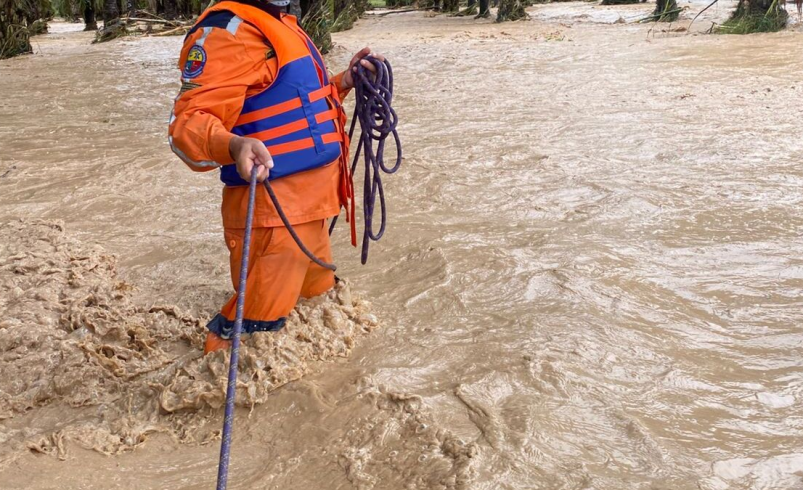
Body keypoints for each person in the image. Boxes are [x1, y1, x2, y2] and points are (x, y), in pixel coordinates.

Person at [168, 0, 383, 354]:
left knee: (317, 307)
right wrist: (233, 145)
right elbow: (186, 127)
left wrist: (343, 82)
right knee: (254, 331)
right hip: (273, 216)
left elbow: (294, 102)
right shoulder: (226, 32)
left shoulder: (280, 24)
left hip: (312, 209)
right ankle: (206, 387)